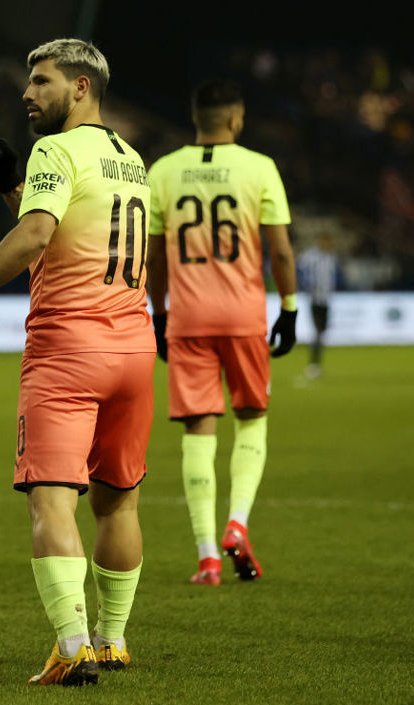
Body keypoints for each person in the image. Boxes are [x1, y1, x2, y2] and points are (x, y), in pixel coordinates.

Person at [0, 39, 155, 686]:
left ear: (81, 87)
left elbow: (37, 236)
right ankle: (112, 640)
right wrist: (12, 190)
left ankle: (72, 646)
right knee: (120, 504)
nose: (27, 93)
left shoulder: (55, 148)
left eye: (41, 81)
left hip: (68, 348)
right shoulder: (131, 159)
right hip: (134, 347)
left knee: (53, 501)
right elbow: (72, 231)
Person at [146, 79, 297, 586]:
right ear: (236, 118)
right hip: (243, 318)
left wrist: (160, 315)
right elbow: (279, 251)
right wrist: (290, 308)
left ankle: (207, 556)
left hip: (188, 319)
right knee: (252, 418)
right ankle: (237, 524)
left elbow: (155, 256)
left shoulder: (163, 171)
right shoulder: (260, 168)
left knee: (198, 429)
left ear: (197, 118)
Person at [297, 232, 338, 379]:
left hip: (326, 299)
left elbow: (333, 277)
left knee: (322, 332)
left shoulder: (331, 258)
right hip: (315, 299)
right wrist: (306, 286)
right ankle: (313, 365)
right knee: (318, 331)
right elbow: (299, 269)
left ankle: (315, 365)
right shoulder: (310, 256)